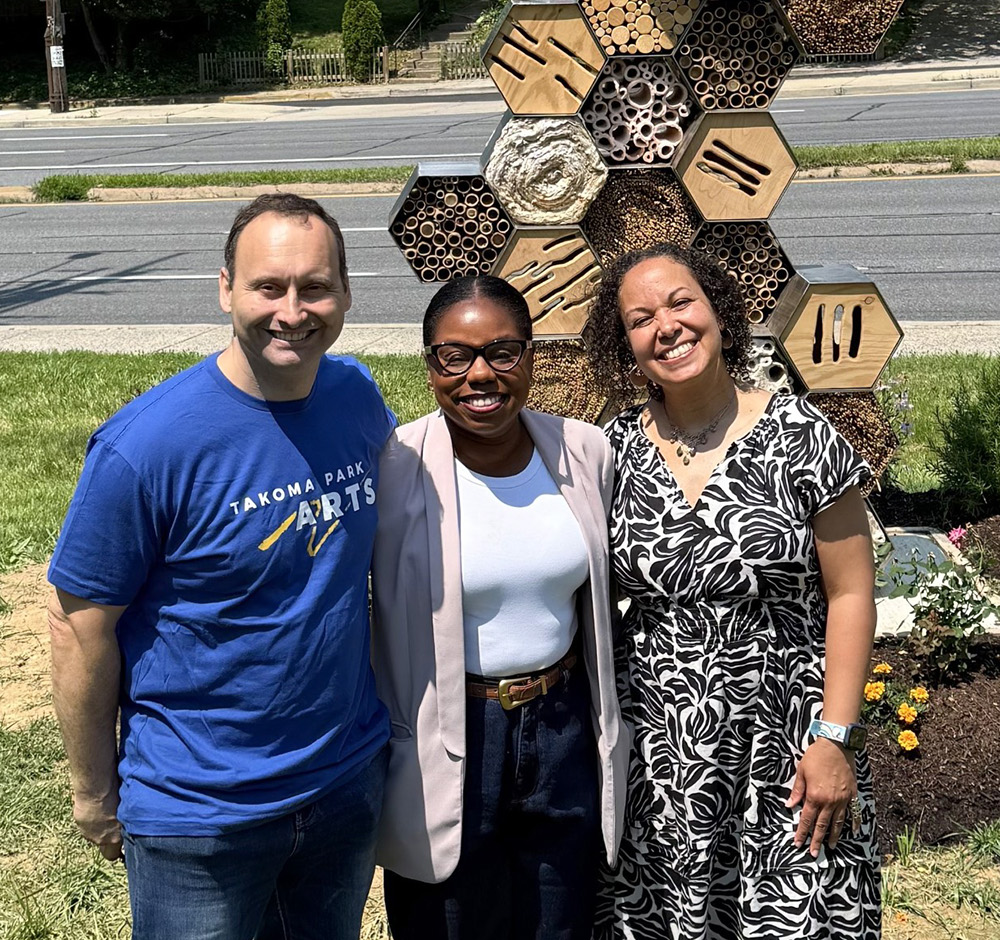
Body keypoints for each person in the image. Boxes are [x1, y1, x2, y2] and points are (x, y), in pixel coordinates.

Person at [47, 193, 395, 940]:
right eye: (269, 286)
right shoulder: (146, 448)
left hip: (345, 780)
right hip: (200, 813)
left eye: (316, 286)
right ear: (226, 289)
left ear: (345, 294)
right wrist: (92, 792)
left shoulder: (358, 398)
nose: (293, 311)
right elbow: (78, 628)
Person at [586, 242, 880, 940]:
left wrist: (834, 737)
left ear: (719, 311)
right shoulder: (612, 448)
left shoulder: (800, 433)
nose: (667, 326)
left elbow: (851, 596)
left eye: (681, 302)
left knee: (799, 913)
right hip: (661, 747)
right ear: (623, 342)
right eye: (641, 317)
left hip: (788, 733)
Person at [370, 273, 628, 940]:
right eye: (455, 356)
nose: (479, 374)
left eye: (502, 352)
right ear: (430, 367)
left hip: (563, 723)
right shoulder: (395, 467)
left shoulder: (583, 452)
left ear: (531, 358)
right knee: (448, 920)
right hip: (453, 732)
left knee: (560, 920)